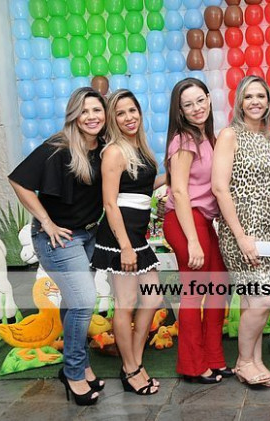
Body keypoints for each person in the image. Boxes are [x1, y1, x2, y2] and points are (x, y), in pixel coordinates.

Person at [8, 87, 106, 406]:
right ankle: (74, 372)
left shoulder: (104, 147)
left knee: (72, 301)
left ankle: (80, 366)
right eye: (84, 111)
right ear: (74, 116)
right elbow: (19, 181)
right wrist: (47, 222)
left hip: (88, 235)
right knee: (83, 301)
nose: (91, 116)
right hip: (58, 238)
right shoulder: (58, 147)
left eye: (97, 110)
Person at [90, 89, 165, 396]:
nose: (128, 117)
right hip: (120, 237)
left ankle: (133, 362)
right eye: (120, 113)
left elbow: (142, 189)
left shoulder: (140, 148)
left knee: (153, 298)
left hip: (137, 235)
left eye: (132, 110)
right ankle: (132, 369)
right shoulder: (113, 152)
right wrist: (124, 246)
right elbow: (110, 203)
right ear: (112, 119)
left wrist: (171, 175)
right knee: (125, 303)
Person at [212, 76, 270, 388]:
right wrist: (241, 236)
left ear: (268, 101)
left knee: (256, 301)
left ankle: (256, 361)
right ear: (239, 101)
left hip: (269, 228)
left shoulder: (267, 137)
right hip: (241, 229)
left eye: (261, 96)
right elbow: (219, 187)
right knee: (262, 301)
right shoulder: (230, 135)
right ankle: (243, 362)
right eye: (249, 96)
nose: (255, 101)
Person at [162, 78, 231, 384]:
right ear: (180, 111)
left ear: (209, 99)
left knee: (218, 288)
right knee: (195, 293)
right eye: (188, 105)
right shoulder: (184, 140)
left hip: (203, 220)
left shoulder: (209, 137)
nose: (196, 108)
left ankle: (214, 358)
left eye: (200, 100)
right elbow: (178, 191)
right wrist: (192, 241)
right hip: (185, 221)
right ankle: (192, 365)